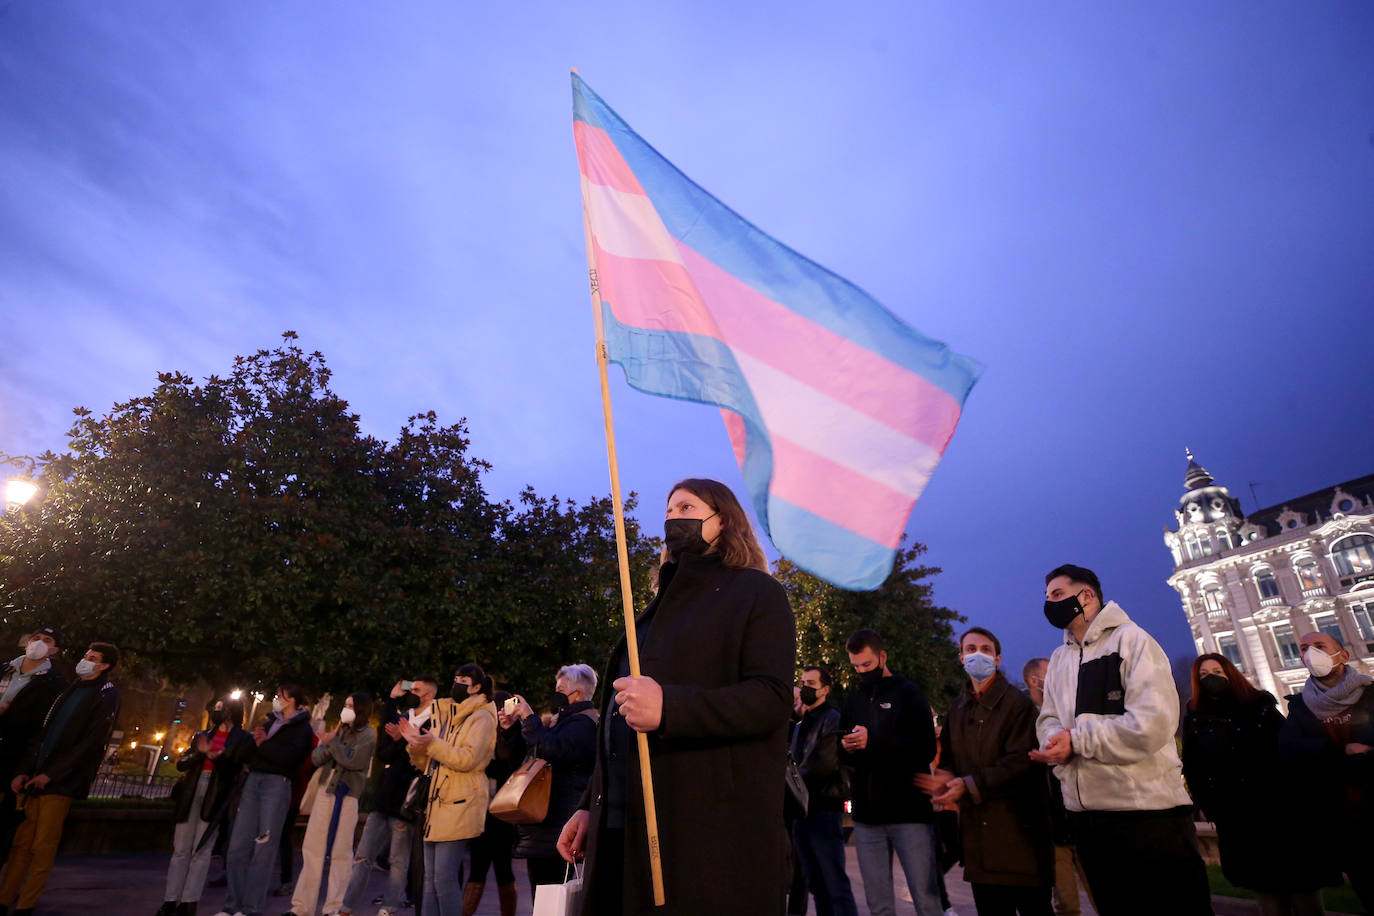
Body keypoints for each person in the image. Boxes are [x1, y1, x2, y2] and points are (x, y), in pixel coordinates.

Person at [556, 477, 796, 916]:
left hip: (702, 835)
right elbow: (619, 718)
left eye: (686, 508)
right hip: (621, 829)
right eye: (668, 510)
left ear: (722, 520)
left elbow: (771, 697)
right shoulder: (654, 609)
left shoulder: (758, 593)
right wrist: (592, 804)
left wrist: (671, 707)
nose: (672, 517)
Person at [1031, 564, 1211, 916]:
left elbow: (1152, 723)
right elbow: (1048, 718)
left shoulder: (1133, 641)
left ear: (1086, 595)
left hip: (1147, 818)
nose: (1049, 603)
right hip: (1088, 819)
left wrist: (1077, 741)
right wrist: (1055, 740)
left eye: (1056, 594)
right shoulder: (1059, 658)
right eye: (1047, 597)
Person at [1182, 652, 1330, 916]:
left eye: (1216, 671)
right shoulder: (1195, 720)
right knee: (1268, 898)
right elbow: (1194, 768)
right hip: (1239, 820)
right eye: (1203, 675)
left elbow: (1289, 750)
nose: (1210, 678)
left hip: (1283, 813)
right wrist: (1212, 805)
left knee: (1305, 893)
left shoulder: (1259, 707)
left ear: (1229, 673)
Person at [918, 628, 1052, 915]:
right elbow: (950, 759)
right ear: (961, 657)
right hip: (979, 841)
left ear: (998, 658)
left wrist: (968, 784)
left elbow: (1020, 761)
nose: (977, 654)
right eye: (970, 648)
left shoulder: (1018, 705)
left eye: (985, 649)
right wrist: (945, 777)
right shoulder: (957, 708)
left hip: (1019, 838)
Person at [1, 641, 121, 916]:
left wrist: (52, 774)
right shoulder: (71, 689)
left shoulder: (106, 695)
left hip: (59, 783)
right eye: (86, 654)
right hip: (34, 777)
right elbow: (43, 734)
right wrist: (25, 770)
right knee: (21, 844)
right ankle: (5, 898)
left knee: (43, 847)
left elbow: (90, 743)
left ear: (104, 666)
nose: (85, 660)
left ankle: (25, 904)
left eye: (92, 657)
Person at [839, 628, 944, 916]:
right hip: (866, 818)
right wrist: (845, 747)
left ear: (882, 657)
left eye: (867, 664)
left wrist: (873, 741)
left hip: (909, 815)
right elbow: (843, 752)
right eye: (856, 666)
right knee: (878, 906)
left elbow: (924, 749)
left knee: (926, 899)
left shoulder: (909, 694)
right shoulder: (854, 700)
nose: (862, 671)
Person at [1279, 631, 1374, 911]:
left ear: (1342, 656)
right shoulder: (1300, 708)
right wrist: (1342, 752)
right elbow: (1291, 753)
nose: (1310, 653)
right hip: (1342, 823)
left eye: (1319, 646)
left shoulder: (1370, 695)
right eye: (1304, 648)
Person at [397, 663, 497, 916]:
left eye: (464, 679)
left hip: (459, 803)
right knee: (429, 881)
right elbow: (430, 762)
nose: (458, 683)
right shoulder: (446, 714)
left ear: (476, 687)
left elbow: (467, 759)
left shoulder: (482, 717)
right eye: (456, 677)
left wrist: (432, 743)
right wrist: (415, 744)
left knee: (443, 879)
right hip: (437, 801)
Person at [216, 683, 315, 916]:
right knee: (238, 846)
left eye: (281, 696)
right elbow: (252, 750)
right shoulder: (270, 722)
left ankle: (251, 908)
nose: (277, 699)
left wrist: (264, 745)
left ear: (292, 700)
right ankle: (233, 905)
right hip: (253, 782)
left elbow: (290, 759)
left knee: (264, 848)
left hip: (276, 785)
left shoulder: (302, 730)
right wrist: (253, 744)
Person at [341, 677, 436, 916]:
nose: (412, 693)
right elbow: (384, 752)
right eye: (411, 689)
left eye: (417, 690)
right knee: (363, 856)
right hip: (384, 798)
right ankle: (346, 907)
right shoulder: (404, 717)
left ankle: (390, 907)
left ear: (429, 695)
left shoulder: (435, 722)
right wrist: (393, 699)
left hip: (406, 802)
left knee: (398, 861)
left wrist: (403, 740)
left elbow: (419, 762)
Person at [510, 664, 600, 898]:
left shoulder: (582, 724)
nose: (556, 693)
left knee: (549, 898)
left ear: (578, 693)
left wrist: (529, 716)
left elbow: (549, 749)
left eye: (561, 689)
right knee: (542, 897)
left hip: (557, 826)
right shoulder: (562, 722)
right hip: (547, 824)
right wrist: (513, 726)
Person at [160, 695, 255, 916]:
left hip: (215, 795)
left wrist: (217, 757)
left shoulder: (242, 739)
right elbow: (182, 762)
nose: (215, 712)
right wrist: (199, 755)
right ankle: (170, 900)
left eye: (220, 708)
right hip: (192, 791)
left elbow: (236, 769)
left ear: (231, 712)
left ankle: (189, 901)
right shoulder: (202, 735)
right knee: (180, 850)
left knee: (201, 852)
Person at [287, 693, 376, 916]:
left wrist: (331, 744)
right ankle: (301, 907)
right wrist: (329, 745)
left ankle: (334, 908)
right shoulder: (339, 729)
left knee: (341, 852)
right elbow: (317, 758)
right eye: (345, 704)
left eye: (350, 705)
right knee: (312, 849)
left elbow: (353, 759)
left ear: (361, 709)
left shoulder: (368, 735)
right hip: (326, 791)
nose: (345, 709)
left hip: (346, 796)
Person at [1021, 657, 1089, 916]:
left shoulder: (1070, 710)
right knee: (1067, 904)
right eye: (1050, 674)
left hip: (1080, 817)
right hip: (1051, 826)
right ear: (1033, 681)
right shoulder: (1025, 720)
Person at [790, 664, 858, 916]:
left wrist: (792, 786)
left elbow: (824, 765)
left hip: (823, 809)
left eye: (811, 684)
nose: (805, 688)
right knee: (817, 884)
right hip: (803, 811)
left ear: (825, 689)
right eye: (803, 683)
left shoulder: (832, 718)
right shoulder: (800, 724)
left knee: (834, 882)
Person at [0, 626, 67, 863]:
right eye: (36, 638)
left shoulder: (54, 685)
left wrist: (23, 770)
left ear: (54, 649)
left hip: (10, 762)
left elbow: (40, 732)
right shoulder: (5, 670)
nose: (38, 643)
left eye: (46, 640)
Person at [463, 686, 525, 916]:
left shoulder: (513, 736)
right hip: (487, 811)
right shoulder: (485, 734)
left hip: (500, 813)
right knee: (483, 869)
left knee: (499, 869)